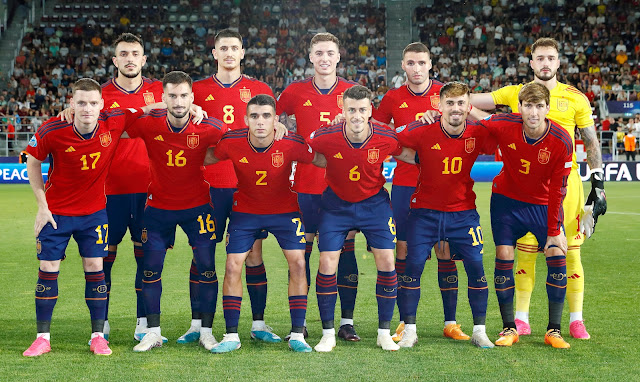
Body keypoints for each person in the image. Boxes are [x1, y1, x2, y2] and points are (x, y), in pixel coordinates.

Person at [470, 37, 606, 339]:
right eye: (540, 58)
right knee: (525, 251)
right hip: (521, 183)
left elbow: (592, 142)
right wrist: (444, 99)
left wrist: (598, 183)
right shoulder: (514, 93)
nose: (545, 63)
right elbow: (471, 102)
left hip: (564, 184)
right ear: (531, 62)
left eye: (551, 58)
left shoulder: (576, 97)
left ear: (558, 62)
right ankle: (520, 319)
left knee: (569, 251)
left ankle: (575, 319)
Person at [23, 78, 149, 357]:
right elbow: (32, 160)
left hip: (93, 215)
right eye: (81, 102)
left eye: (93, 103)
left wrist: (193, 108)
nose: (87, 108)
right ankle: (42, 337)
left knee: (96, 268)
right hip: (56, 215)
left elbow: (151, 108)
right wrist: (42, 206)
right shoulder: (52, 129)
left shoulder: (114, 121)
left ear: (102, 105)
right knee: (48, 269)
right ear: (71, 104)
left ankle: (97, 336)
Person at [204, 94, 325, 353]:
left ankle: (297, 335)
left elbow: (321, 160)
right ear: (246, 119)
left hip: (285, 212)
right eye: (255, 116)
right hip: (245, 212)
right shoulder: (232, 142)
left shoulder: (291, 143)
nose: (261, 122)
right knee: (233, 264)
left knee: (299, 262)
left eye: (267, 116)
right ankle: (231, 335)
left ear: (276, 120)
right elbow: (205, 157)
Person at [186, 29, 279, 345]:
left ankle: (259, 324)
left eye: (234, 48)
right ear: (214, 53)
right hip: (207, 184)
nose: (228, 53)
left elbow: (273, 130)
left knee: (253, 253)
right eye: (222, 48)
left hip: (248, 186)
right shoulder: (196, 91)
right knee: (203, 255)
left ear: (242, 53)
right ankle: (198, 326)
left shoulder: (259, 89)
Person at [309, 85, 416, 352]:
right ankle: (328, 333)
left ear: (370, 111)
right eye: (351, 110)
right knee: (327, 261)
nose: (356, 115)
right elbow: (312, 154)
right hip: (336, 205)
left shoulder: (385, 136)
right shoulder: (326, 135)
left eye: (362, 110)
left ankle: (383, 333)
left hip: (374, 204)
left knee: (387, 260)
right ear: (342, 111)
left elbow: (411, 155)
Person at [130, 72, 226, 352]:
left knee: (207, 266)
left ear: (192, 98)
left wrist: (278, 130)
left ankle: (206, 332)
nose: (178, 101)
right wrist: (144, 108)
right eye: (172, 95)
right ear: (163, 98)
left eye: (184, 95)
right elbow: (114, 124)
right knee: (151, 269)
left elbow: (236, 140)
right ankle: (153, 332)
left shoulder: (208, 127)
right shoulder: (149, 124)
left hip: (197, 207)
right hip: (158, 208)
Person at [394, 82, 495, 349]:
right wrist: (413, 158)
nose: (456, 108)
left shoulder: (477, 133)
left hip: (463, 214)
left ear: (468, 106)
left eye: (461, 103)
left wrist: (475, 112)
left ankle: (479, 330)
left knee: (476, 268)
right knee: (412, 268)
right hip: (424, 214)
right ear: (439, 106)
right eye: (449, 103)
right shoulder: (422, 129)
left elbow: (501, 128)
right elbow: (390, 140)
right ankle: (410, 330)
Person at [277, 32, 360, 341]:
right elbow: (269, 113)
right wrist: (279, 123)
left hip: (343, 188)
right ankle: (300, 323)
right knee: (302, 256)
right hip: (307, 187)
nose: (325, 58)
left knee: (344, 252)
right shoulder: (295, 92)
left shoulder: (353, 91)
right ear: (310, 57)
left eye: (330, 53)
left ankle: (346, 322)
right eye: (319, 53)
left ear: (338, 57)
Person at [482, 83, 573, 349]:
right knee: (504, 256)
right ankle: (509, 327)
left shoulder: (561, 140)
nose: (533, 112)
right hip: (506, 202)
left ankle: (554, 330)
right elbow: (475, 118)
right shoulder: (504, 123)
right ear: (519, 107)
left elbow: (559, 189)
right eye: (528, 106)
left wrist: (555, 229)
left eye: (539, 106)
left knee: (557, 253)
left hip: (543, 205)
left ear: (547, 108)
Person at [371, 42, 444, 341]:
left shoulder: (445, 95)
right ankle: (405, 321)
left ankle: (450, 321)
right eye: (410, 63)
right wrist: (407, 137)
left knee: (444, 250)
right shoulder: (392, 97)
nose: (416, 68)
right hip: (404, 182)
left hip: (441, 184)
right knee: (401, 249)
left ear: (430, 64)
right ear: (403, 65)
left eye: (421, 63)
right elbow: (376, 131)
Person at [100, 33, 165, 342]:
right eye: (123, 53)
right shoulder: (99, 95)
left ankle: (143, 322)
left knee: (146, 258)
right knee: (103, 258)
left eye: (134, 53)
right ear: (115, 61)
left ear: (143, 59)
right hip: (108, 190)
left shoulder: (159, 92)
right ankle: (101, 321)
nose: (129, 58)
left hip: (149, 191)